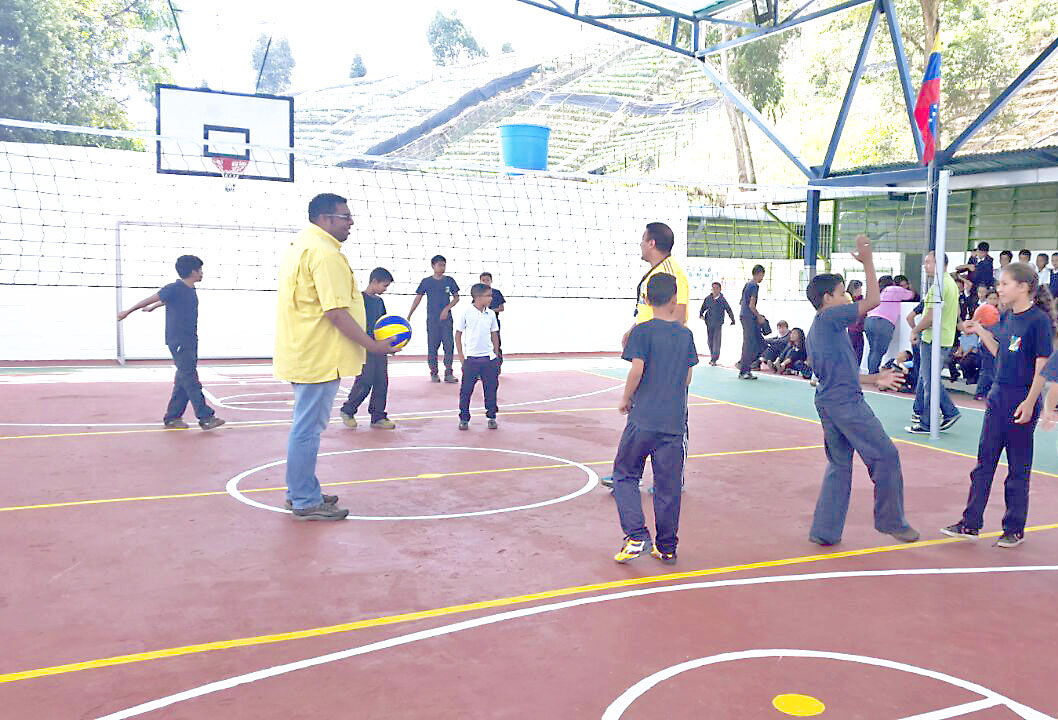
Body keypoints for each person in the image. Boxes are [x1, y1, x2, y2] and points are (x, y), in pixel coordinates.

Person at [275, 193, 398, 521]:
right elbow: (335, 312)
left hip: (304, 350)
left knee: (305, 426)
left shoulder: (300, 245)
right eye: (346, 217)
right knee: (307, 429)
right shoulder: (324, 253)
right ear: (326, 219)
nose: (351, 222)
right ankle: (303, 500)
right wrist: (374, 346)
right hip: (318, 354)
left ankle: (302, 490)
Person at [805, 234, 920, 547]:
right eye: (843, 293)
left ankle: (824, 531)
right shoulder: (831, 317)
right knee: (885, 455)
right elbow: (873, 301)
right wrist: (869, 261)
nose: (847, 299)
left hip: (829, 401)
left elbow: (840, 374)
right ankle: (891, 521)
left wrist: (874, 379)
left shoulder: (820, 330)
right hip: (845, 403)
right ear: (828, 298)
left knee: (839, 465)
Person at [942, 262, 1054, 548]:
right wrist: (980, 330)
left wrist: (1031, 403)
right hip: (997, 396)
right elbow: (999, 353)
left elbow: (1042, 365)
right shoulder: (1005, 318)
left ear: (1023, 287)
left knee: (1017, 468)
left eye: (1004, 284)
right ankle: (970, 523)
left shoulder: (1037, 321)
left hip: (1020, 399)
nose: (999, 289)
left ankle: (1014, 528)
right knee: (984, 464)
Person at [611, 273, 698, 566]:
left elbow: (637, 369)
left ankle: (636, 535)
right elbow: (687, 376)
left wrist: (625, 398)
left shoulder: (643, 331)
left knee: (624, 474)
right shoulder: (685, 335)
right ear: (675, 299)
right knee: (668, 486)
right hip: (673, 423)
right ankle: (667, 547)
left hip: (643, 420)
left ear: (646, 300)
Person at [117, 255, 225, 431]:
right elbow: (152, 297)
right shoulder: (175, 287)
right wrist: (128, 311)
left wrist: (154, 308)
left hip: (189, 339)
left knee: (183, 378)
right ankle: (205, 417)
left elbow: (164, 300)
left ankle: (173, 417)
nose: (202, 273)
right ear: (192, 272)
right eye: (200, 270)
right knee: (190, 378)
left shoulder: (187, 289)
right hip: (179, 340)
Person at [906, 251, 961, 434]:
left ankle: (936, 418)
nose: (925, 265)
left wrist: (915, 330)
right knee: (926, 377)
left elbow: (930, 316)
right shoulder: (950, 284)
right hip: (942, 337)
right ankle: (920, 412)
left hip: (934, 339)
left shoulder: (940, 285)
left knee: (930, 380)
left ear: (939, 263)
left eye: (928, 262)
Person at [339, 267, 396, 430]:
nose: (385, 290)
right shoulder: (359, 299)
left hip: (379, 348)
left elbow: (385, 325)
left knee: (382, 381)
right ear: (374, 282)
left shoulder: (379, 302)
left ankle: (378, 416)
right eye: (384, 286)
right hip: (364, 347)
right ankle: (348, 410)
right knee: (365, 380)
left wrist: (390, 345)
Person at [455, 283, 501, 430]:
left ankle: (492, 416)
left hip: (489, 359)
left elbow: (494, 334)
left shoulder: (491, 314)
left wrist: (495, 354)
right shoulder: (466, 312)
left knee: (491, 389)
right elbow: (458, 334)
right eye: (488, 296)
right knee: (466, 390)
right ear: (478, 297)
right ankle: (464, 418)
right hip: (472, 359)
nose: (491, 298)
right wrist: (462, 357)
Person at [409, 255, 460, 383]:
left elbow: (456, 298)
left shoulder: (449, 281)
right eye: (439, 265)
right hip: (432, 320)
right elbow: (418, 298)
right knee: (432, 347)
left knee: (449, 346)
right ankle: (434, 373)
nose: (442, 268)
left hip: (446, 320)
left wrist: (446, 309)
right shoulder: (426, 281)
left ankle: (448, 373)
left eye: (444, 265)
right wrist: (409, 314)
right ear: (433, 266)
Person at [864, 273, 915, 374]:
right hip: (883, 322)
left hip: (869, 321)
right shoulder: (893, 289)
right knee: (878, 351)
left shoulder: (877, 292)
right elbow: (911, 295)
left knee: (873, 350)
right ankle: (873, 375)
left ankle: (872, 373)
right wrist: (910, 287)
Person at [738, 264, 767, 379]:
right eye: (762, 275)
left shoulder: (747, 284)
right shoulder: (754, 286)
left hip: (744, 315)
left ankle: (745, 368)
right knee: (749, 344)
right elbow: (751, 305)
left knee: (751, 343)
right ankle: (744, 369)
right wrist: (759, 316)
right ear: (759, 273)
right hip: (749, 317)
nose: (762, 278)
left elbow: (741, 302)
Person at [699, 281, 735, 366]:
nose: (714, 290)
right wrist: (701, 315)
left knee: (717, 341)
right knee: (710, 341)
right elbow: (703, 308)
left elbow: (728, 309)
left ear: (720, 289)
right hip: (708, 322)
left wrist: (732, 319)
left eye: (716, 288)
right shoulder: (708, 298)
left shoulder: (722, 300)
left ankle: (714, 359)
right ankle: (712, 356)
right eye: (713, 288)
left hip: (718, 323)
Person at [973, 289, 1000, 399]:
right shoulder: (982, 311)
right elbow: (974, 325)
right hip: (985, 344)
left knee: (994, 369)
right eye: (990, 298)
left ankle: (987, 392)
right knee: (987, 369)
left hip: (997, 343)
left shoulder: (1000, 312)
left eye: (995, 298)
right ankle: (980, 392)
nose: (993, 301)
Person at [479, 272, 506, 371]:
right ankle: (481, 369)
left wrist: (490, 312)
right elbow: (475, 308)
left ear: (491, 281)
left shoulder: (496, 293)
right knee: (482, 344)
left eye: (487, 280)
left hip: (494, 322)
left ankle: (497, 367)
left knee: (496, 343)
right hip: (481, 323)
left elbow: (501, 308)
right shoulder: (478, 294)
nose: (486, 282)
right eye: (483, 280)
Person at [846, 279, 865, 365]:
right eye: (859, 289)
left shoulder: (861, 300)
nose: (860, 291)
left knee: (859, 351)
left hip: (859, 329)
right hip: (853, 329)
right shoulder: (849, 301)